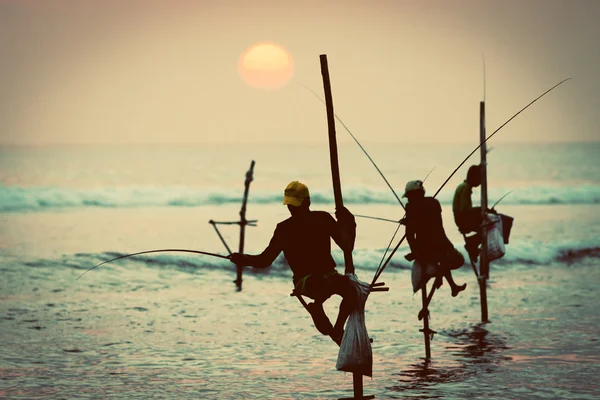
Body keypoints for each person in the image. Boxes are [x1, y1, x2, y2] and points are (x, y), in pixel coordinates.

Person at [230, 180, 358, 345]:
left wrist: (349, 223)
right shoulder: (284, 228)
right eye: (290, 205)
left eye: (296, 205)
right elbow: (265, 260)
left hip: (329, 274)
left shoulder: (323, 218)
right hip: (306, 280)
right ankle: (318, 307)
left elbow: (347, 246)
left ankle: (337, 328)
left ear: (308, 202)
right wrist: (245, 259)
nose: (292, 209)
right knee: (320, 284)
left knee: (353, 292)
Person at [402, 179, 467, 297]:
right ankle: (449, 284)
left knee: (443, 261)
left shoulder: (411, 208)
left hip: (426, 249)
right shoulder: (434, 203)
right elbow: (429, 220)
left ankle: (442, 278)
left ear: (413, 195)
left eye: (409, 196)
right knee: (448, 260)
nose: (408, 199)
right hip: (442, 244)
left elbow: (410, 234)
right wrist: (410, 219)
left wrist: (415, 251)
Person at [453, 165, 485, 262]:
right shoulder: (466, 188)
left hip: (460, 219)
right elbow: (464, 210)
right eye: (479, 179)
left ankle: (472, 245)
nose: (480, 182)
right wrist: (482, 209)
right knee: (490, 225)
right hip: (463, 220)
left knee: (486, 225)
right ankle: (472, 243)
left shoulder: (463, 186)